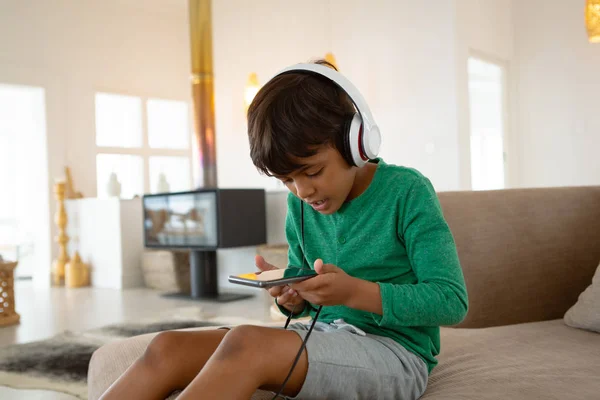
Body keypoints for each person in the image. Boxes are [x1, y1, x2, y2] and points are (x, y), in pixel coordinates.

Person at [99, 60, 468, 400]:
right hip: (324, 336)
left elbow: (451, 301)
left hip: (396, 355)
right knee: (168, 347)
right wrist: (292, 297)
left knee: (247, 343)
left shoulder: (407, 191)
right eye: (286, 180)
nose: (302, 191)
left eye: (312, 172)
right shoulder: (300, 206)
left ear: (356, 143)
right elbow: (306, 305)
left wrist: (354, 292)